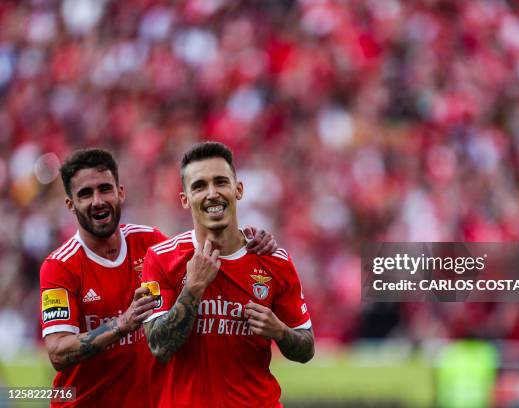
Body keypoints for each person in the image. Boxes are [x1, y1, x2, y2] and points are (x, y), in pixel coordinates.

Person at [39, 148, 277, 407]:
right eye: (85, 194)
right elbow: (58, 352)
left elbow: (205, 256)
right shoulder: (60, 266)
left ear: (120, 193)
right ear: (71, 205)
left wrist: (246, 239)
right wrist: (122, 324)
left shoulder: (150, 243)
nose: (97, 200)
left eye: (105, 189)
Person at [142, 141, 315, 407]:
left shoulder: (275, 262)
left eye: (221, 182)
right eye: (199, 186)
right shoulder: (162, 259)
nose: (212, 193)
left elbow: (306, 349)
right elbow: (158, 347)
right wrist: (194, 288)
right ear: (185, 200)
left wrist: (279, 331)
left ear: (239, 189)